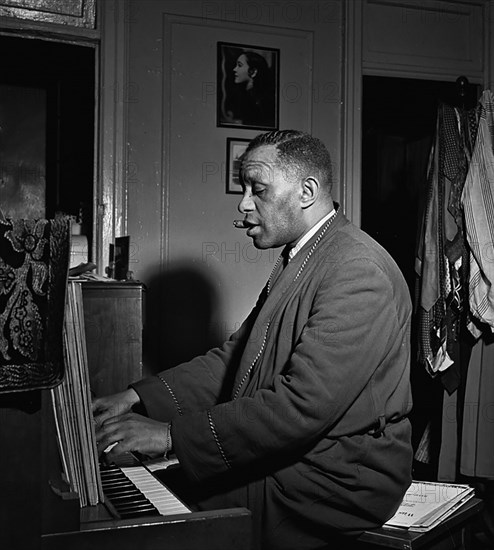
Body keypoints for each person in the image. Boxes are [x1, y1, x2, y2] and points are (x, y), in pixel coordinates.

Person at [93, 130, 413, 550]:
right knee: (160, 490)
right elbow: (236, 358)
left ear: (307, 191)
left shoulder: (356, 270)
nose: (243, 203)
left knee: (164, 525)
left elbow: (302, 407)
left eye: (257, 189)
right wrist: (136, 397)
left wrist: (169, 436)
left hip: (338, 480)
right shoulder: (305, 255)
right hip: (301, 460)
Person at [223, 50, 275, 128]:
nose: (235, 69)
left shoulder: (261, 101)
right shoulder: (242, 94)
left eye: (239, 65)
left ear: (253, 72)